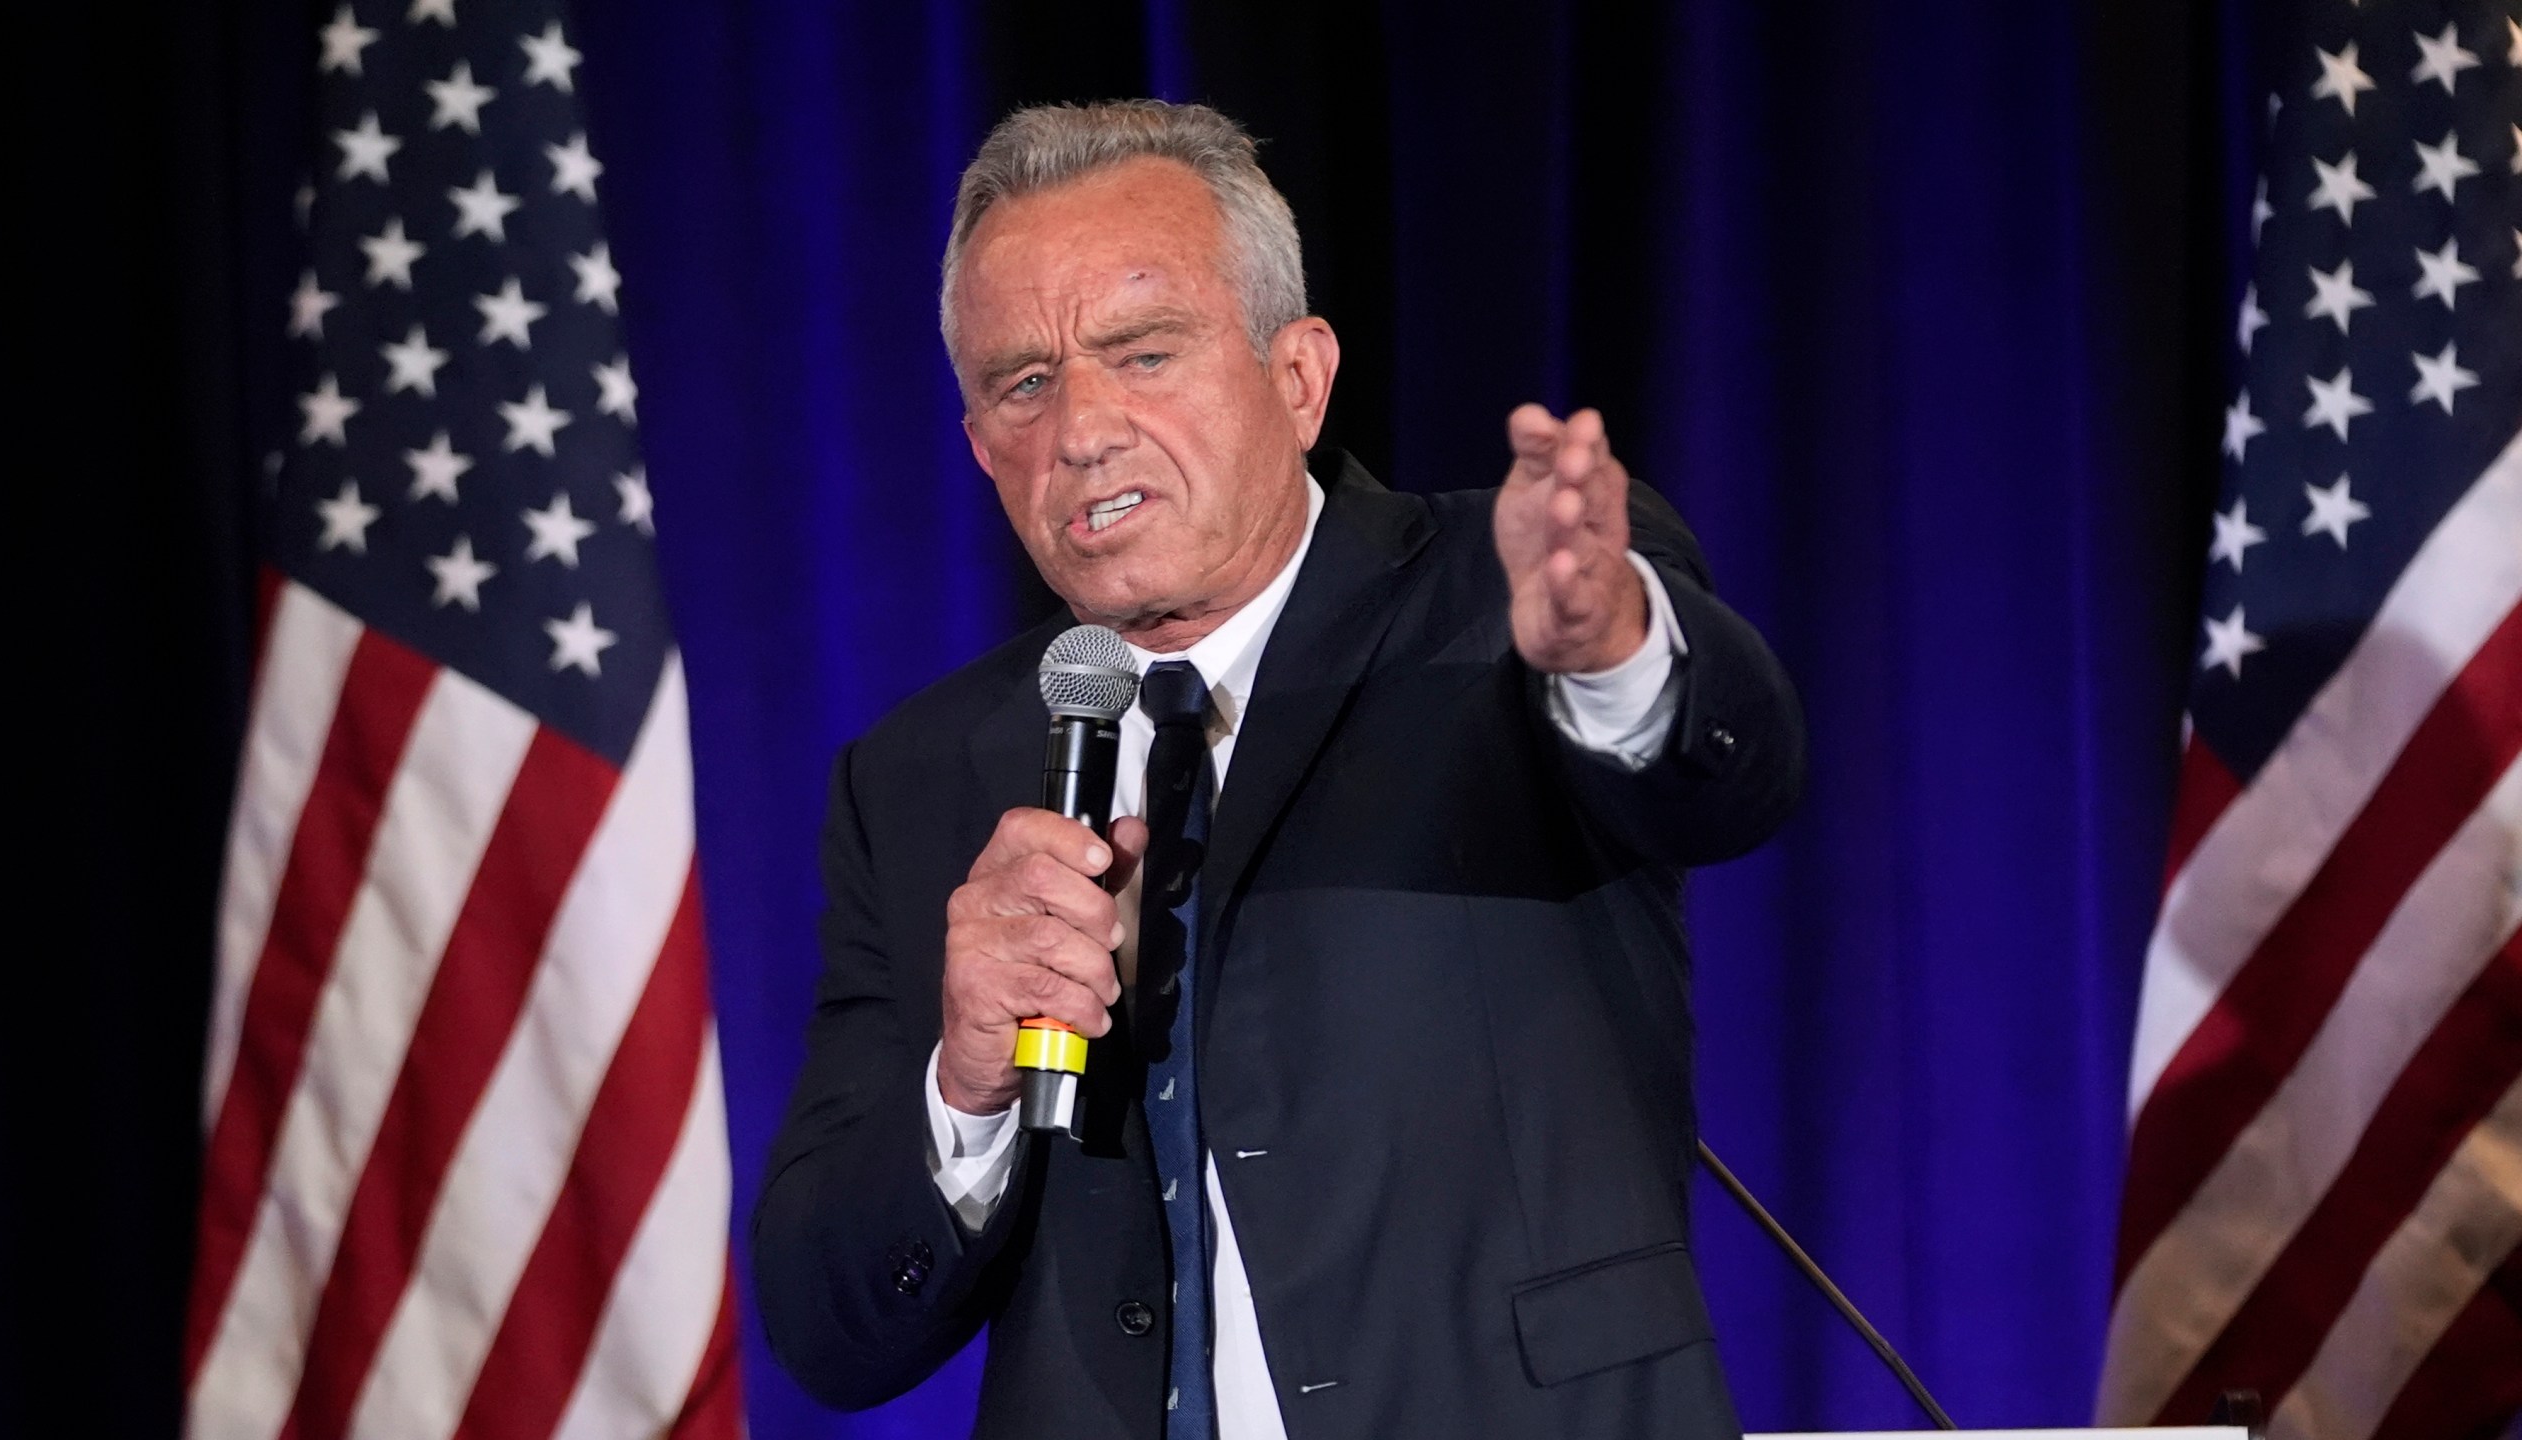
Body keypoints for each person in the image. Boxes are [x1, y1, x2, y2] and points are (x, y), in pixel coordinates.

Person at [754, 100, 1804, 1439]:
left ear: (1298, 378)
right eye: (1024, 383)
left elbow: (1736, 776)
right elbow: (830, 1327)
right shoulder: (917, 776)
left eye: (1142, 354)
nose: (1081, 429)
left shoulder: (1498, 604)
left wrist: (1609, 648)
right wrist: (966, 1090)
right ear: (978, 444)